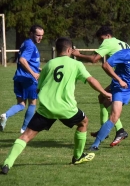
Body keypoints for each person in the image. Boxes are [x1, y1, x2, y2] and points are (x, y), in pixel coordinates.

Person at [0, 37, 112, 175]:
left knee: (26, 136)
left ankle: (7, 163)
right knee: (84, 122)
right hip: (66, 108)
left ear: (57, 49)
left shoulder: (49, 64)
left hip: (46, 108)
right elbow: (91, 80)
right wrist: (104, 92)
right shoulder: (76, 64)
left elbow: (39, 88)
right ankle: (77, 157)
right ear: (70, 50)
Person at [72, 25, 130, 147]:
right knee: (102, 98)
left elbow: (94, 59)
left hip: (123, 79)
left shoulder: (108, 42)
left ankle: (120, 131)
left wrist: (78, 55)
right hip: (128, 77)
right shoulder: (122, 42)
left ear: (108, 36)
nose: (101, 42)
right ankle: (104, 129)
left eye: (101, 39)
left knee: (108, 101)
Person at [0, 25, 44, 133]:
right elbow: (23, 60)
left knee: (21, 104)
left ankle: (5, 115)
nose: (40, 38)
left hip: (19, 77)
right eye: (38, 35)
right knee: (32, 103)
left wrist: (37, 68)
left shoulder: (26, 43)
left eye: (42, 35)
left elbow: (26, 61)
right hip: (29, 79)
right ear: (31, 34)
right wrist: (33, 73)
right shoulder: (31, 46)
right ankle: (24, 129)